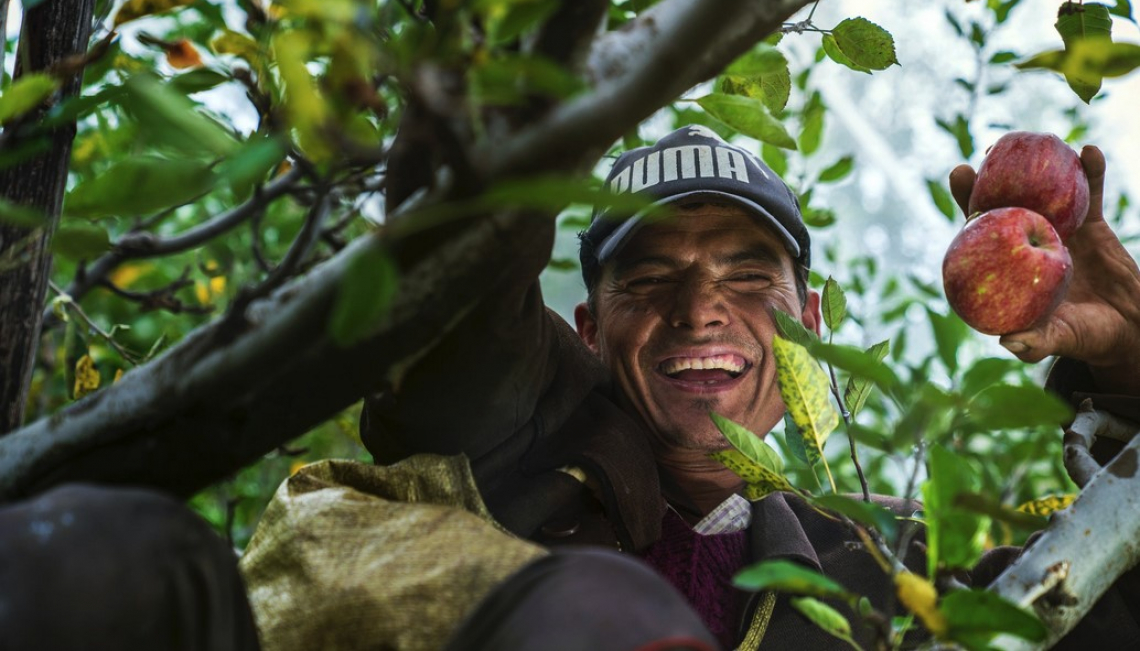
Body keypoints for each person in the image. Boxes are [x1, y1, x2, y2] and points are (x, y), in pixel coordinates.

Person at [345, 125, 1140, 648]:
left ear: (811, 323)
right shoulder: (507, 467)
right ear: (589, 330)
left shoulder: (896, 567)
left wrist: (1133, 367)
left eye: (751, 274)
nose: (698, 312)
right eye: (650, 278)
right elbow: (461, 294)